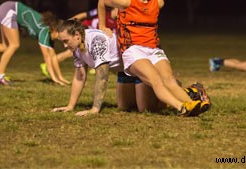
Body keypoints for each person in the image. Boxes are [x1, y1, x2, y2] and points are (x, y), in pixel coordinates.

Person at [96, 0, 210, 116]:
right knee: (151, 85)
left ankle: (192, 105)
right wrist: (102, 25)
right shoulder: (124, 0)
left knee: (168, 79)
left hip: (154, 49)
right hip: (133, 50)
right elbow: (102, 0)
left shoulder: (158, 2)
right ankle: (181, 107)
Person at [51, 20, 207, 116]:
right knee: (125, 106)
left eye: (66, 41)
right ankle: (171, 89)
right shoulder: (77, 48)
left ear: (77, 35)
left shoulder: (95, 40)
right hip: (124, 70)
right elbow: (80, 76)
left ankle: (189, 91)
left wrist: (95, 109)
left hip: (137, 62)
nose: (64, 45)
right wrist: (70, 106)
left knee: (146, 108)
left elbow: (102, 77)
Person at [0, 1, 69, 86]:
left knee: (5, 46)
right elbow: (47, 57)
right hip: (10, 10)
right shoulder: (44, 31)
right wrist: (54, 79)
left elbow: (53, 56)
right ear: (55, 29)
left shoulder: (48, 33)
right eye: (61, 34)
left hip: (6, 8)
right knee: (14, 45)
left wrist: (61, 78)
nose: (61, 38)